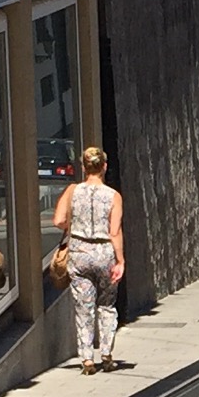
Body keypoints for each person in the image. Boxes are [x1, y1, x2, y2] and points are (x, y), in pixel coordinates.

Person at [53, 143, 128, 373]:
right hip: (104, 252)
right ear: (104, 167)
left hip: (79, 252)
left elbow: (58, 220)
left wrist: (75, 225)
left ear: (84, 167)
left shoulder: (72, 191)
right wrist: (120, 260)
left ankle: (86, 359)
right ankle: (106, 353)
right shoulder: (113, 196)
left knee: (84, 307)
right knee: (107, 304)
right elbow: (114, 231)